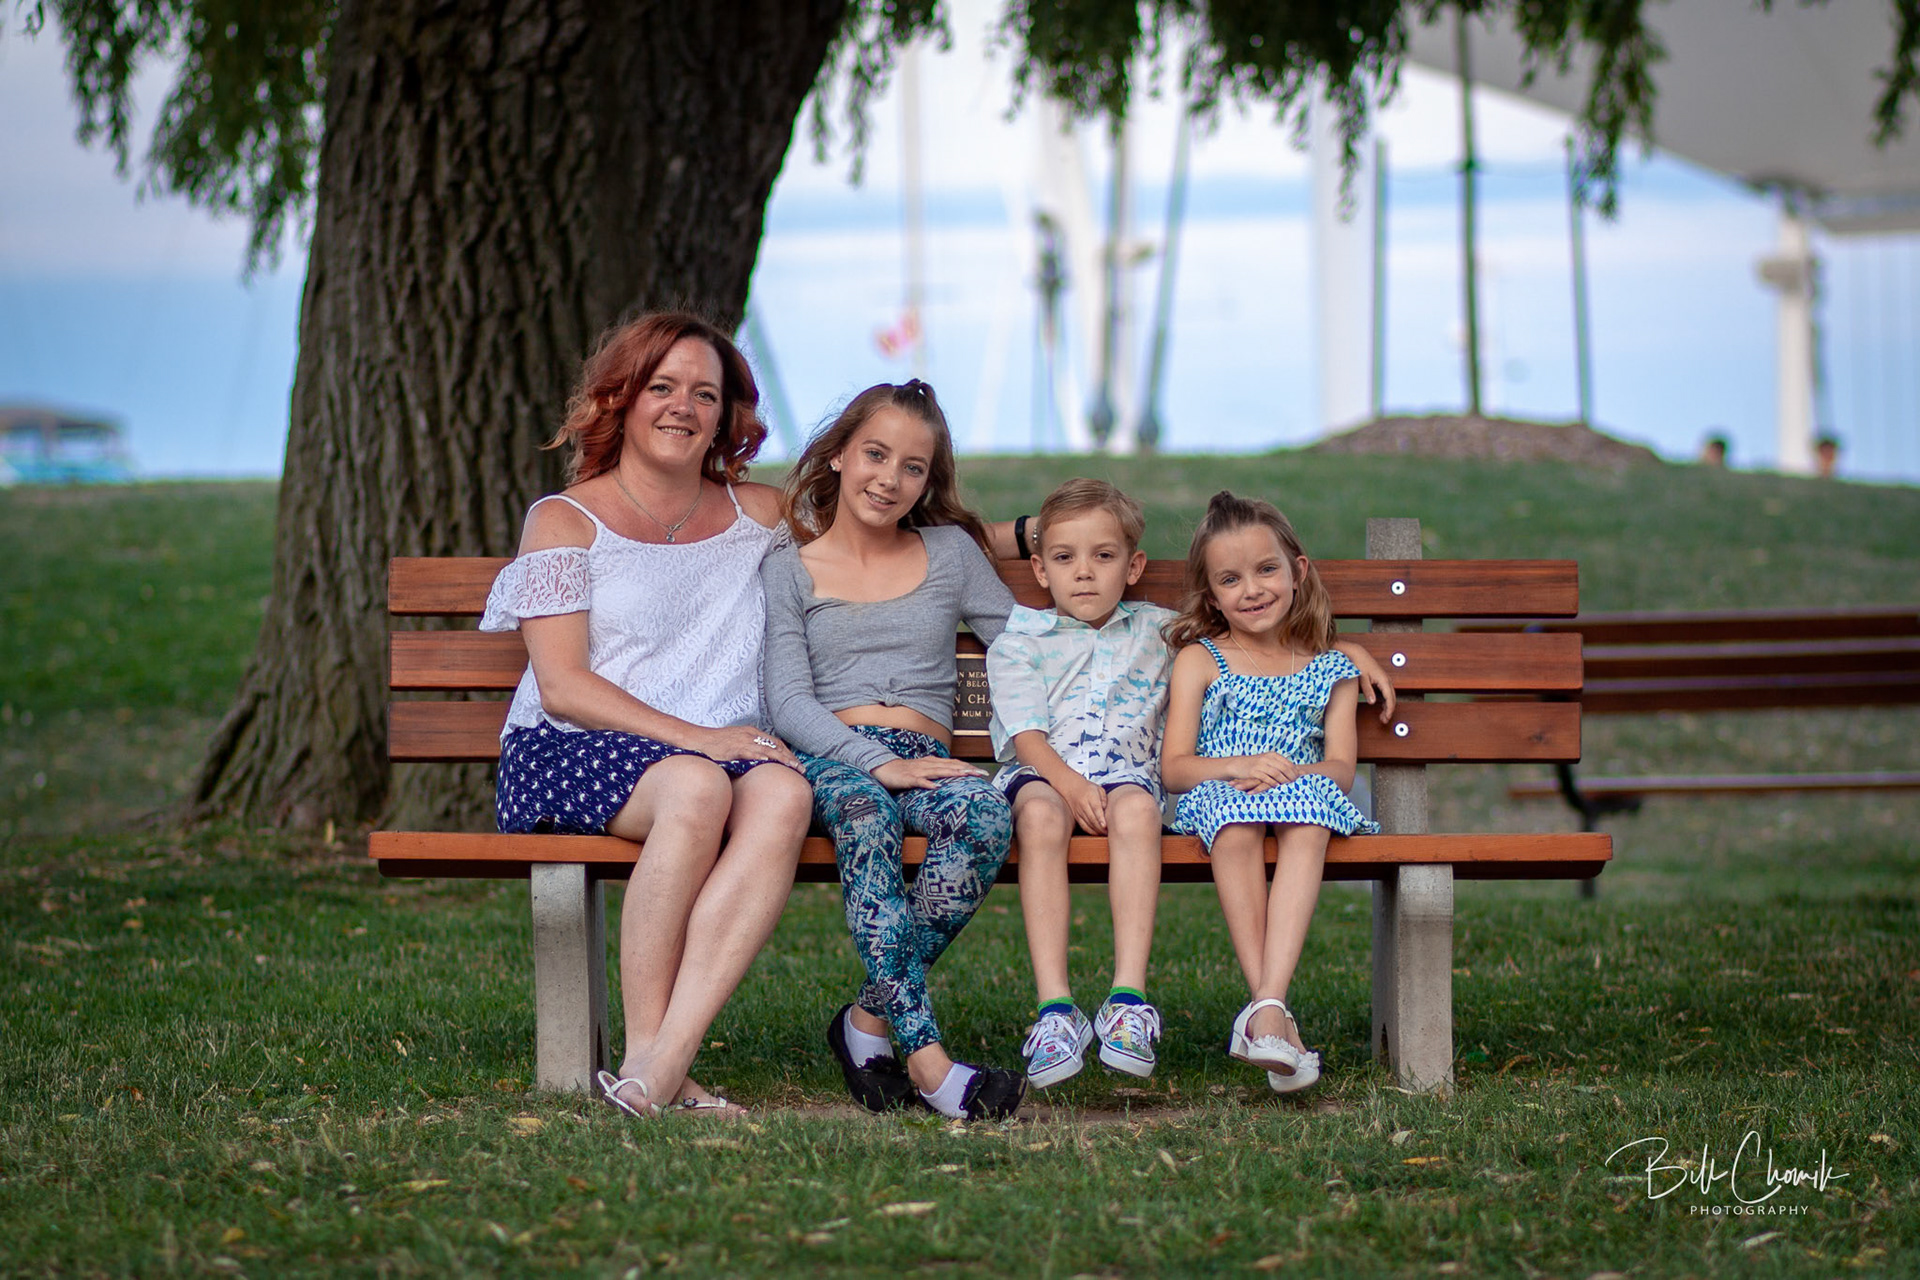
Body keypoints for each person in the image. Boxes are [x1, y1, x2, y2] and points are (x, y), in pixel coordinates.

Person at [479, 312, 812, 1120]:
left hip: (716, 758)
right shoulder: (565, 520)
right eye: (662, 387)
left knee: (785, 794)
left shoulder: (762, 516)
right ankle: (645, 1058)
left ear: (725, 417)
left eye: (705, 393)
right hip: (570, 749)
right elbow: (563, 686)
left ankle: (664, 1063)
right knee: (699, 788)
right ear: (621, 400)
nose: (682, 407)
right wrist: (701, 739)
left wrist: (1022, 534)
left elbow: (882, 530)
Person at [762, 380, 1025, 1121]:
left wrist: (1159, 630)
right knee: (865, 812)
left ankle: (867, 1025)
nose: (890, 478)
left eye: (913, 467)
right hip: (829, 758)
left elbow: (1030, 646)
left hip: (926, 757)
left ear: (927, 481)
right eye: (875, 454)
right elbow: (786, 702)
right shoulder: (790, 566)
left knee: (982, 814)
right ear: (840, 455)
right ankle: (932, 1064)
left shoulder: (949, 553)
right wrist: (874, 761)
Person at [1160, 491, 1382, 1096]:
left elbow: (1339, 768)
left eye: (1266, 570)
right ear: (1211, 596)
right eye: (1230, 579)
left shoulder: (1329, 669)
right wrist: (1238, 767)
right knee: (1234, 825)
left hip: (1303, 797)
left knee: (1310, 821)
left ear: (1297, 571)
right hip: (1221, 793)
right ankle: (1273, 1016)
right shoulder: (1200, 661)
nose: (1252, 589)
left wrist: (1297, 780)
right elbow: (1175, 769)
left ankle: (1266, 1010)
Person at [985, 479, 1176, 1088]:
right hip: (1042, 774)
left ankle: (1127, 1001)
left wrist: (1348, 649)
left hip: (1129, 777)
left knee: (1139, 813)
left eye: (1104, 556)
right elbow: (1025, 736)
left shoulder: (1163, 631)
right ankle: (1056, 1009)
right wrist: (1068, 785)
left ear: (1134, 564)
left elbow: (1258, 636)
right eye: (1065, 559)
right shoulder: (1020, 641)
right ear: (1040, 570)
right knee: (1040, 816)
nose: (1085, 574)